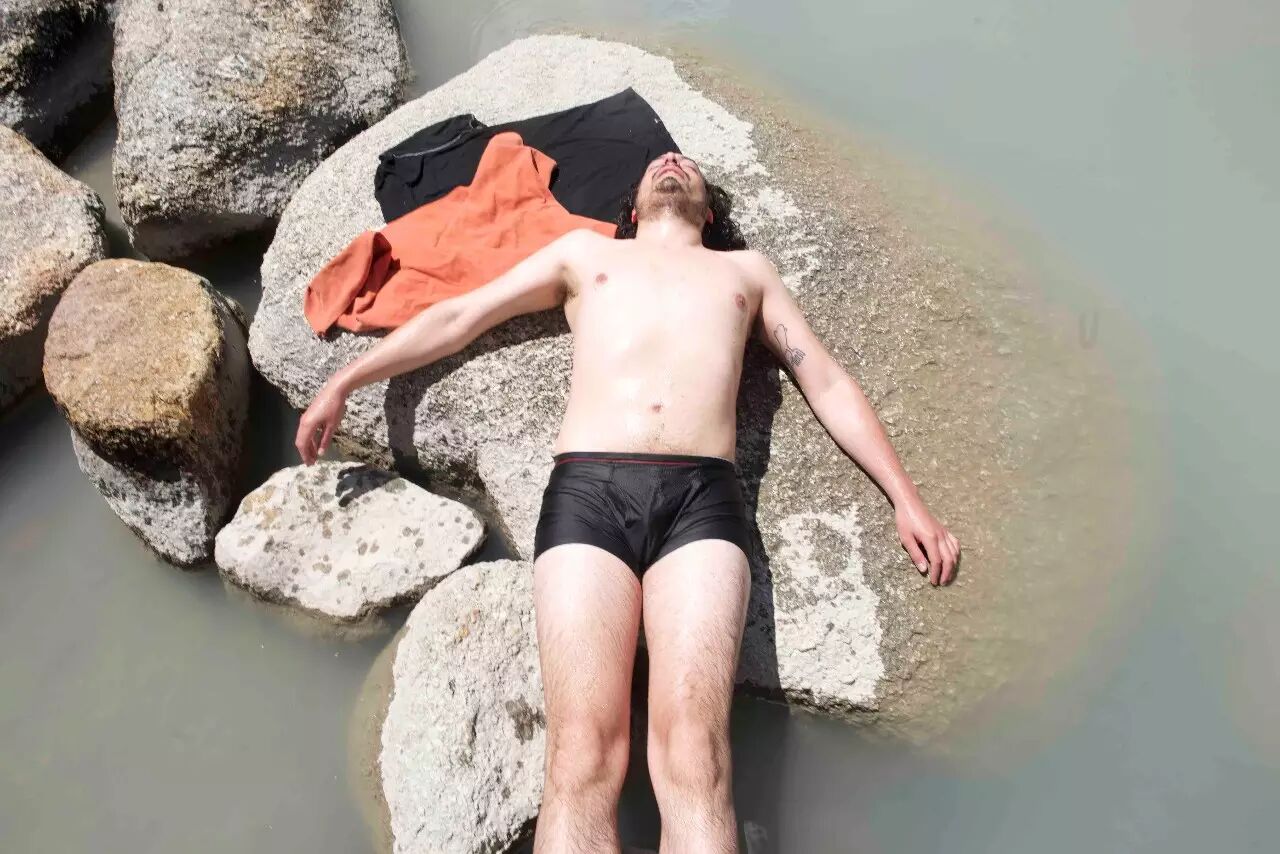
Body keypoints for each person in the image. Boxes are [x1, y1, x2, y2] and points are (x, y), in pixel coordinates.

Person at [295, 151, 960, 853]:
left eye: (687, 164)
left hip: (701, 503)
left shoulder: (746, 273)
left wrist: (905, 498)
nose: (672, 161)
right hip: (590, 494)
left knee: (696, 757)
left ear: (709, 211)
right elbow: (463, 314)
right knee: (581, 756)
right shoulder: (585, 255)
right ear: (633, 209)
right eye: (658, 163)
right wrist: (346, 382)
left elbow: (823, 379)